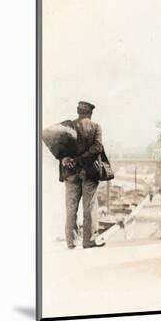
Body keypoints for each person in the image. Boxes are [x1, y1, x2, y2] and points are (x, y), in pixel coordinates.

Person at [60, 101, 105, 249]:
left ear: (78, 112)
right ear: (90, 113)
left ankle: (71, 241)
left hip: (71, 173)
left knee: (71, 207)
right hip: (89, 172)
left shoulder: (68, 126)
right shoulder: (95, 127)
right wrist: (80, 160)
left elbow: (58, 146)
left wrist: (66, 159)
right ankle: (88, 240)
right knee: (89, 206)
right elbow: (98, 147)